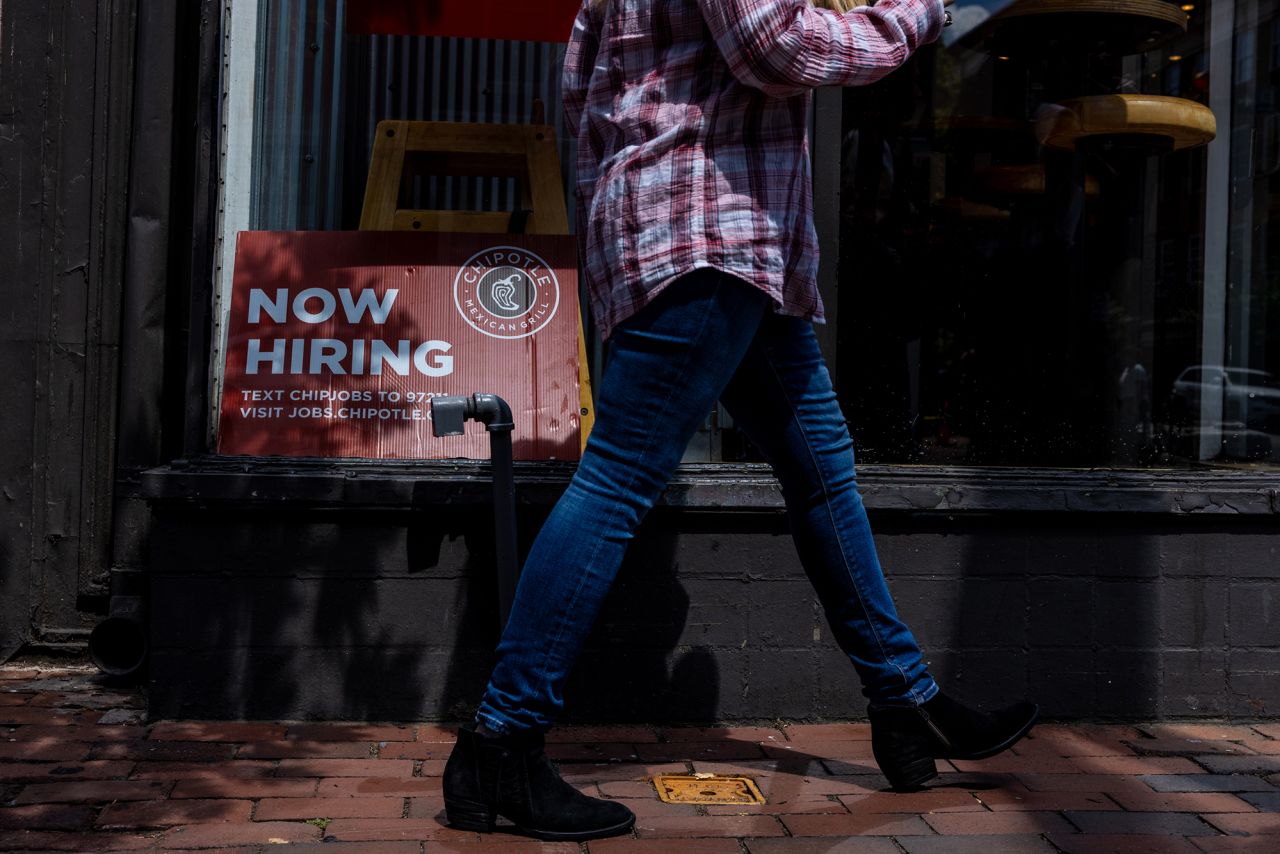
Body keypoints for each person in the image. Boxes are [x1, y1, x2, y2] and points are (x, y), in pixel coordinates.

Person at [443, 0, 1037, 841]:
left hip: (726, 234)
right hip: (706, 234)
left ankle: (905, 704)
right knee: (618, 479)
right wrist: (918, 14)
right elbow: (779, 45)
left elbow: (593, 92)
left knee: (820, 466)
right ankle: (499, 743)